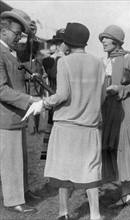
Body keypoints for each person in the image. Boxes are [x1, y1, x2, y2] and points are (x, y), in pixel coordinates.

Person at [22, 22, 106, 220]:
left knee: (63, 169)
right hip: (90, 126)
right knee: (90, 171)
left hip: (66, 125)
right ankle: (95, 214)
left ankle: (63, 212)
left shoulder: (64, 62)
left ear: (67, 43)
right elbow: (102, 97)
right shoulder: (98, 63)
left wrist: (43, 103)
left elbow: (62, 95)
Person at [99, 25, 130, 219]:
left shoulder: (129, 58)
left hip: (126, 111)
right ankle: (126, 195)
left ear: (117, 41)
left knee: (128, 150)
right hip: (110, 111)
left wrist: (122, 88)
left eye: (107, 38)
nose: (103, 41)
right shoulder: (105, 60)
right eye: (102, 38)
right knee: (117, 150)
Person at [0, 8, 41, 213]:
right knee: (11, 160)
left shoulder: (9, 52)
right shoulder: (0, 52)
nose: (19, 38)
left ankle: (23, 191)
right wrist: (29, 99)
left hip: (17, 115)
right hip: (6, 117)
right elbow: (1, 89)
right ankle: (14, 200)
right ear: (4, 30)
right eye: (17, 34)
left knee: (20, 157)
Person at [40, 28, 65, 160]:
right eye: (59, 43)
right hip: (56, 104)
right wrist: (60, 56)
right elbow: (54, 74)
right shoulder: (48, 61)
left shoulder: (72, 59)